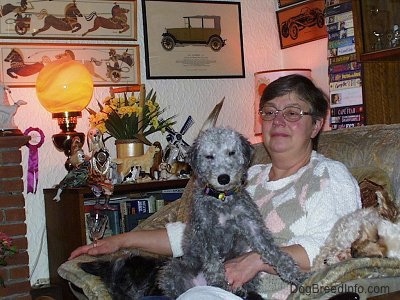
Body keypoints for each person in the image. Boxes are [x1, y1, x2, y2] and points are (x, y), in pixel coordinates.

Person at [69, 74, 361, 299]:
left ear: (316, 125)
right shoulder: (249, 177)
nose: (278, 121)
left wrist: (257, 260)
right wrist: (121, 240)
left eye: (293, 112)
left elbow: (332, 246)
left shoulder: (328, 176)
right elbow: (196, 235)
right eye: (270, 112)